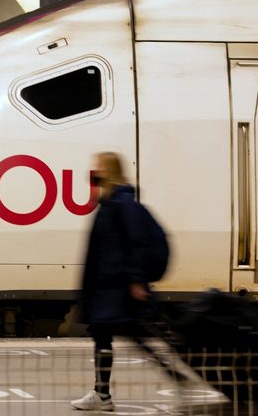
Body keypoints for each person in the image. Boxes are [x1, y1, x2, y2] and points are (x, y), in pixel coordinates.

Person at [71, 151, 155, 411]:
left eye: (99, 167)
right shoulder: (109, 202)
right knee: (107, 337)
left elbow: (138, 242)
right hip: (105, 287)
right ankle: (101, 393)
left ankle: (179, 377)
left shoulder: (122, 204)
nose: (94, 171)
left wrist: (137, 280)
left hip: (115, 288)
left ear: (110, 170)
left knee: (137, 338)